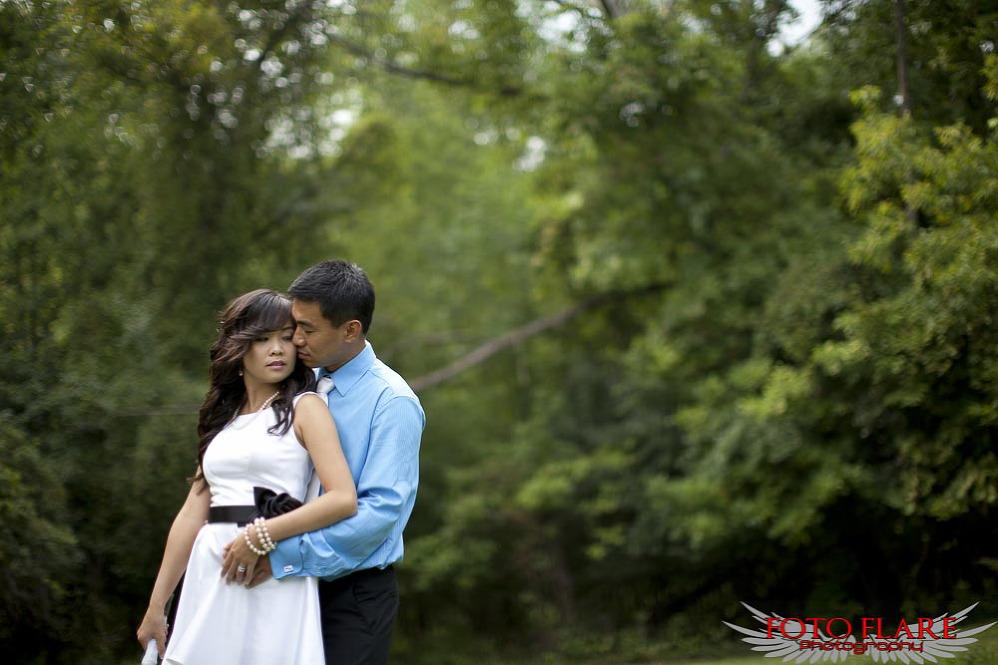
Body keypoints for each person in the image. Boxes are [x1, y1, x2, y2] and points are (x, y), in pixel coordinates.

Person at [136, 289, 358, 664]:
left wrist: (261, 536)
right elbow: (192, 514)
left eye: (287, 338)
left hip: (269, 565)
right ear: (239, 347)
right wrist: (158, 604)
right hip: (212, 566)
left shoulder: (306, 408)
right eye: (262, 339)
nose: (278, 349)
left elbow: (342, 498)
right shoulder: (222, 421)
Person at [220, 260, 424, 665]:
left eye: (307, 329)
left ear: (351, 329)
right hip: (285, 585)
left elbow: (378, 514)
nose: (295, 339)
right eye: (294, 324)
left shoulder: (392, 402)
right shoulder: (298, 382)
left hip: (350, 596)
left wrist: (281, 555)